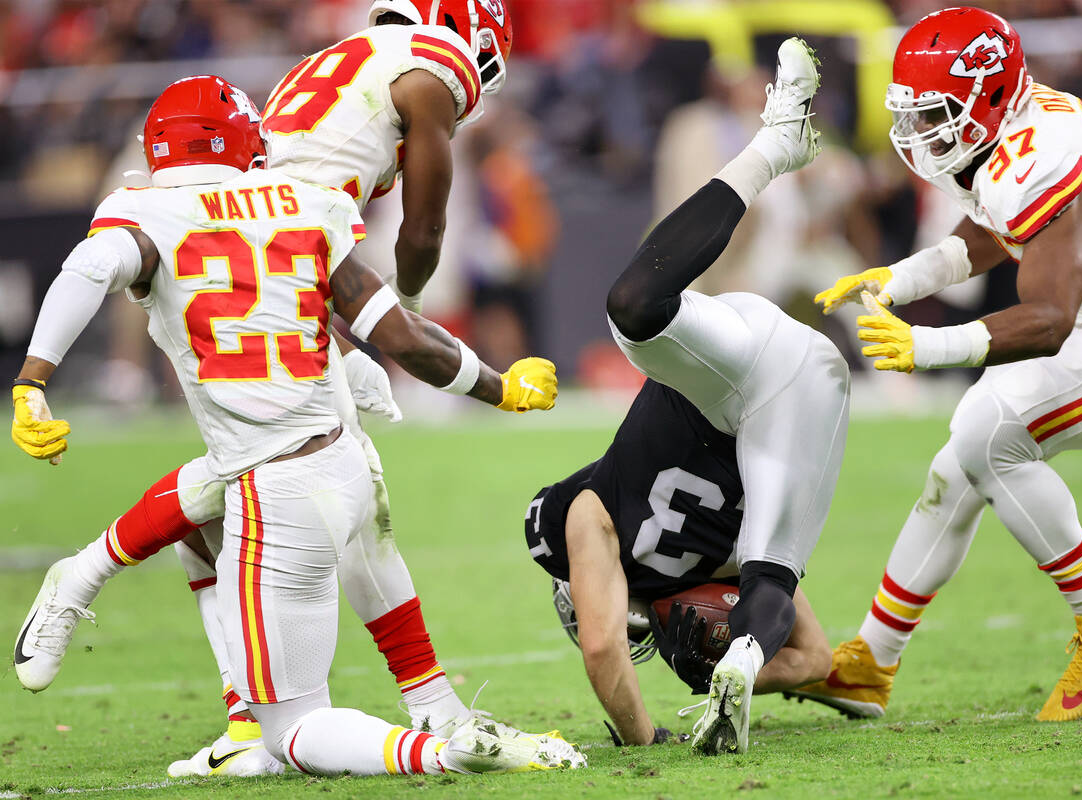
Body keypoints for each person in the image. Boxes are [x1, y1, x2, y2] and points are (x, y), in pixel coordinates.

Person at [12, 0, 532, 777]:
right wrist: (476, 374)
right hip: (287, 263)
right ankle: (426, 718)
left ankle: (252, 718)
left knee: (264, 466)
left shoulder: (331, 66)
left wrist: (32, 378)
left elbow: (89, 268)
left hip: (256, 269)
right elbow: (409, 271)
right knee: (325, 474)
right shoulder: (411, 85)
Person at [797, 6, 1082, 722]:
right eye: (912, 115)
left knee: (986, 423)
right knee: (963, 458)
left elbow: (1049, 320)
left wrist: (930, 347)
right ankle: (871, 661)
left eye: (934, 114)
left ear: (984, 97)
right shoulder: (1005, 130)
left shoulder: (1044, 152)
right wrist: (897, 280)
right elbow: (989, 231)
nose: (919, 133)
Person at [527, 38, 847, 756]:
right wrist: (724, 668)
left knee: (767, 576)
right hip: (767, 366)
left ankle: (775, 143)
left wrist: (648, 736)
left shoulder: (593, 518)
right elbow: (814, 661)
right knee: (633, 305)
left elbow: (604, 649)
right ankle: (773, 146)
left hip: (776, 388)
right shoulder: (678, 567)